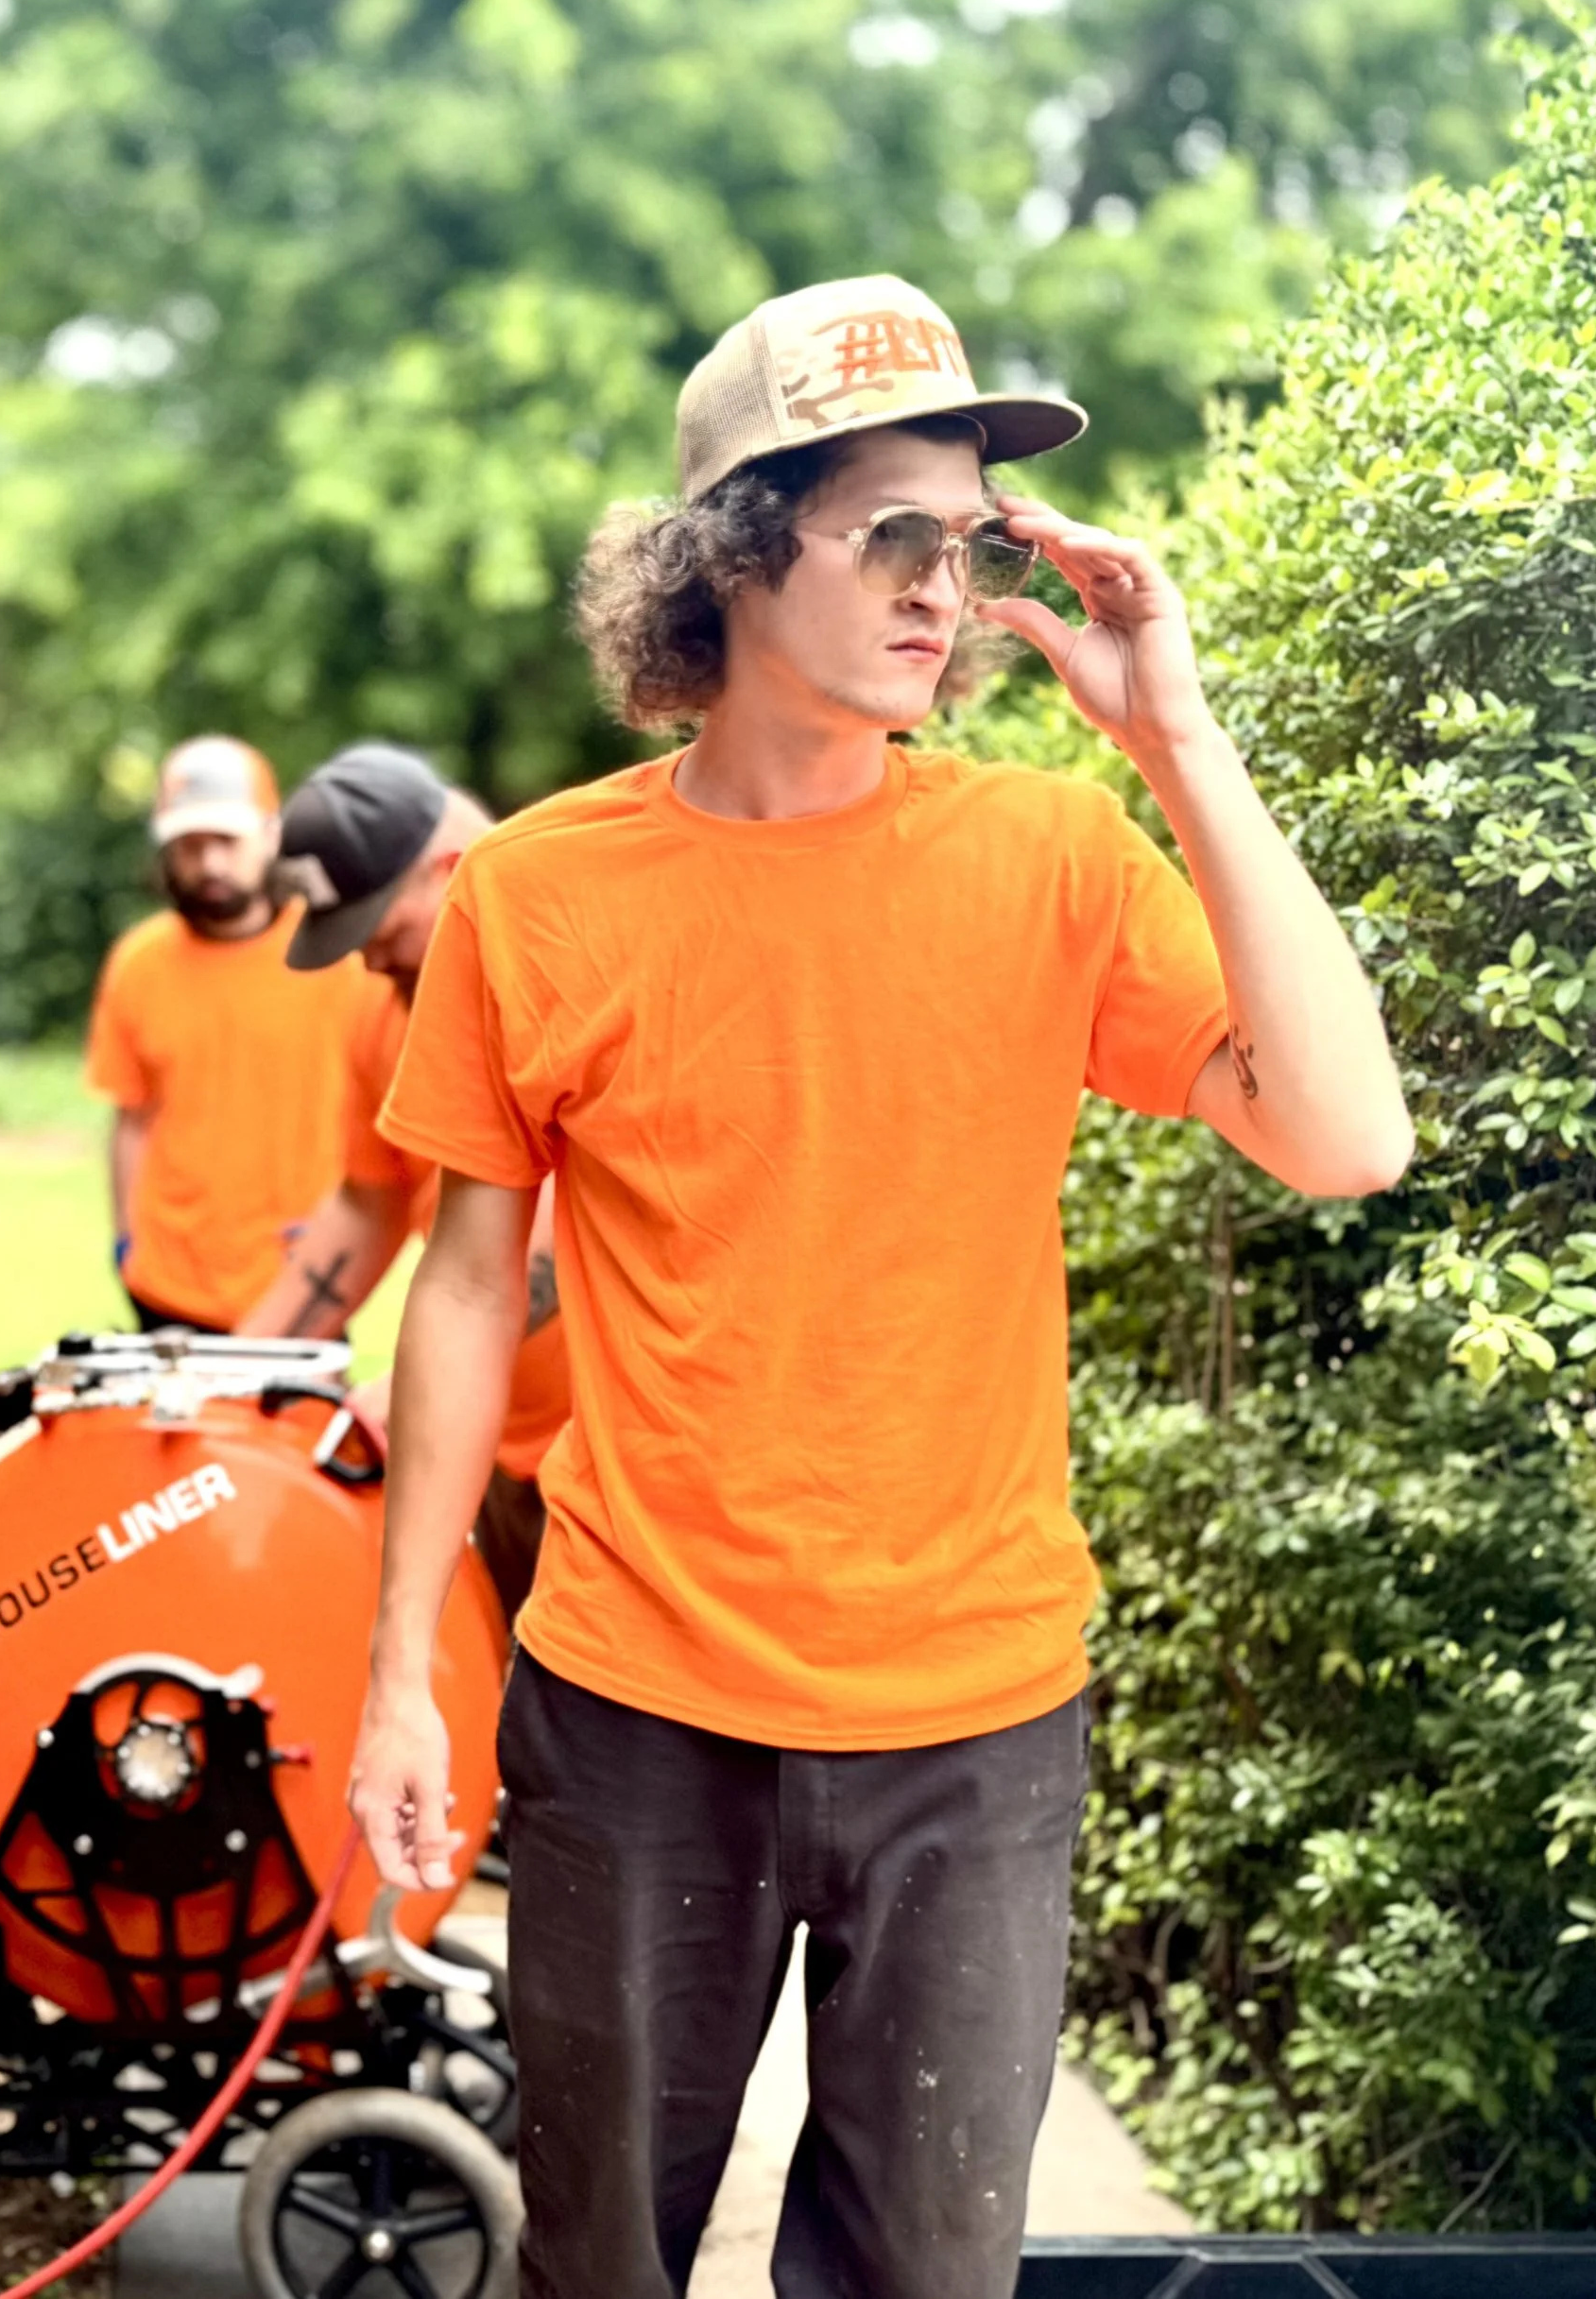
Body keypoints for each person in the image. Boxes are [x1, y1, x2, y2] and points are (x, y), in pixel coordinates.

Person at [350, 274, 1416, 2299]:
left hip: (974, 1718)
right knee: (595, 2269)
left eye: (973, 542)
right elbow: (469, 1290)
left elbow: (1346, 1135)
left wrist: (1175, 738)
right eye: (893, 537)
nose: (946, 587)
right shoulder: (539, 898)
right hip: (633, 1707)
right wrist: (406, 1663)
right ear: (733, 556)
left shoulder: (1050, 858)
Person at [240, 742, 570, 1621]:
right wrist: (234, 1373)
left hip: (622, 1459)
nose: (369, 962)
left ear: (451, 869)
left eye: (381, 932)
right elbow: (366, 1201)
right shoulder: (390, 1007)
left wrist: (419, 1383)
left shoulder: (574, 961)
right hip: (501, 1449)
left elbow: (575, 1228)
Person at [84, 733, 370, 1333]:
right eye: (190, 845)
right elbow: (131, 1119)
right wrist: (125, 1242)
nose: (209, 863)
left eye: (225, 841)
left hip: (301, 1277)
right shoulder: (138, 963)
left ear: (271, 835)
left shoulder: (337, 959)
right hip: (168, 1284)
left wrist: (339, 1238)